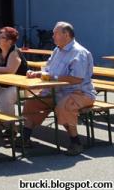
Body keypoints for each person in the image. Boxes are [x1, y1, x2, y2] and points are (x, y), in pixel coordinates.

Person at [19, 21, 95, 156]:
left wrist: (52, 77)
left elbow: (77, 79)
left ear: (66, 35)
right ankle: (24, 138)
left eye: (55, 33)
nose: (52, 36)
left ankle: (76, 143)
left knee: (63, 106)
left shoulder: (79, 52)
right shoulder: (57, 50)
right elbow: (48, 70)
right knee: (31, 103)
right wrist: (37, 73)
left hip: (80, 93)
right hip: (55, 91)